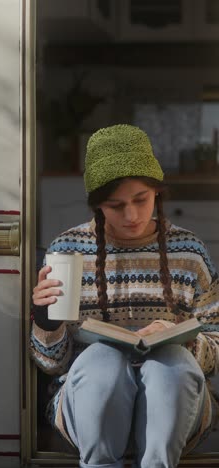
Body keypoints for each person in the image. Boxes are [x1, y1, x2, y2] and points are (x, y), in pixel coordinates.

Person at [31, 124, 219, 468]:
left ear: (157, 194)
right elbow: (51, 364)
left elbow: (217, 345)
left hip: (177, 408)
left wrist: (182, 341)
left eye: (140, 200)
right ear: (97, 205)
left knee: (171, 366)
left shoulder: (190, 252)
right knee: (102, 360)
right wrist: (45, 317)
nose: (131, 216)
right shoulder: (67, 252)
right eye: (115, 205)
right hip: (90, 407)